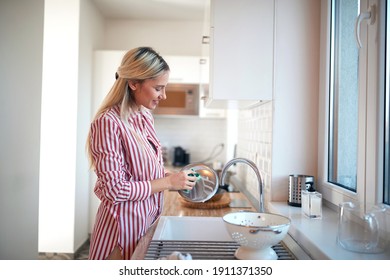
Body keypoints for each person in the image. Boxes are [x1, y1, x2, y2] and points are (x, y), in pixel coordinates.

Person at [86, 47, 196, 260]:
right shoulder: (107, 122)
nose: (163, 96)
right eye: (158, 88)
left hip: (145, 226)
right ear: (133, 83)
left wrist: (167, 175)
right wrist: (169, 183)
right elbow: (115, 190)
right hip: (120, 234)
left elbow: (140, 171)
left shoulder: (144, 116)